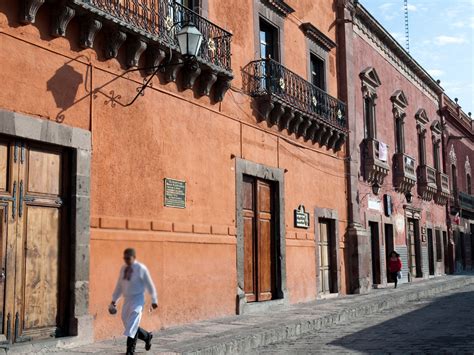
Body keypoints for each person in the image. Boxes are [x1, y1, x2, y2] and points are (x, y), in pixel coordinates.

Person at [110, 248, 158, 355]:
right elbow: (120, 286)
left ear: (134, 257)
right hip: (127, 300)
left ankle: (130, 351)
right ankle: (147, 336)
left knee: (132, 324)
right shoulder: (124, 269)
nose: (126, 260)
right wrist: (114, 301)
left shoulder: (141, 269)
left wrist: (154, 299)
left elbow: (150, 284)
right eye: (125, 258)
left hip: (138, 299)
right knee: (128, 323)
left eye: (128, 258)